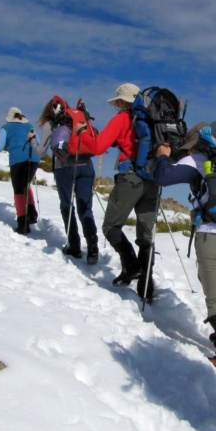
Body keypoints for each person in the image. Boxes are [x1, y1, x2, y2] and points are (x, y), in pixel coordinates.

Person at [152, 126, 216, 374]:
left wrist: (162, 155)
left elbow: (163, 177)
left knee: (215, 298)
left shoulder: (196, 160)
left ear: (194, 145)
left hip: (214, 237)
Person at [77, 83, 159, 302]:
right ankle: (146, 289)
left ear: (123, 101)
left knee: (110, 226)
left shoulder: (123, 118)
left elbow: (96, 147)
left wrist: (82, 134)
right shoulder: (151, 120)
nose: (117, 106)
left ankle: (131, 266)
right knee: (145, 236)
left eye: (118, 103)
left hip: (131, 178)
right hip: (154, 180)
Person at [30, 96, 100, 264]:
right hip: (86, 164)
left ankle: (74, 245)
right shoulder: (78, 119)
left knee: (67, 206)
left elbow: (40, 152)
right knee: (85, 208)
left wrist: (32, 139)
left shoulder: (51, 124)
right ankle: (92, 247)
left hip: (65, 168)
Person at [0, 107, 40, 234]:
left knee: (18, 189)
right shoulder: (29, 126)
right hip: (34, 159)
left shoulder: (6, 128)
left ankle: (22, 223)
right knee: (26, 185)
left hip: (17, 160)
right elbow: (38, 142)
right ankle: (32, 213)